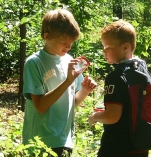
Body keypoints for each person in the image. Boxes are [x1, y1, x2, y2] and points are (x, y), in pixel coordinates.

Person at [22, 8, 97, 156]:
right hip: (41, 141)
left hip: (65, 140)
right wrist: (68, 81)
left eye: (71, 42)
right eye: (63, 41)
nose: (68, 46)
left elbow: (72, 102)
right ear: (47, 36)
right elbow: (40, 106)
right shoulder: (34, 63)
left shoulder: (69, 60)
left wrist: (85, 90)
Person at [88, 20, 149, 157]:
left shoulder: (115, 77)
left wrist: (95, 117)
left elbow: (112, 116)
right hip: (140, 145)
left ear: (125, 47)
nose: (104, 52)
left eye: (108, 47)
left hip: (117, 147)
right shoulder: (143, 71)